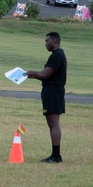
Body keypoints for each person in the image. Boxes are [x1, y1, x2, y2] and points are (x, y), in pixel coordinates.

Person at [25, 31, 67, 163]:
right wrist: (34, 75)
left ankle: (56, 156)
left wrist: (33, 73)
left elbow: (45, 75)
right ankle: (55, 154)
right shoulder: (58, 55)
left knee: (54, 123)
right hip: (52, 90)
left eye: (47, 41)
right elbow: (46, 75)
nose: (45, 44)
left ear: (55, 41)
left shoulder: (57, 55)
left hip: (53, 92)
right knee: (52, 123)